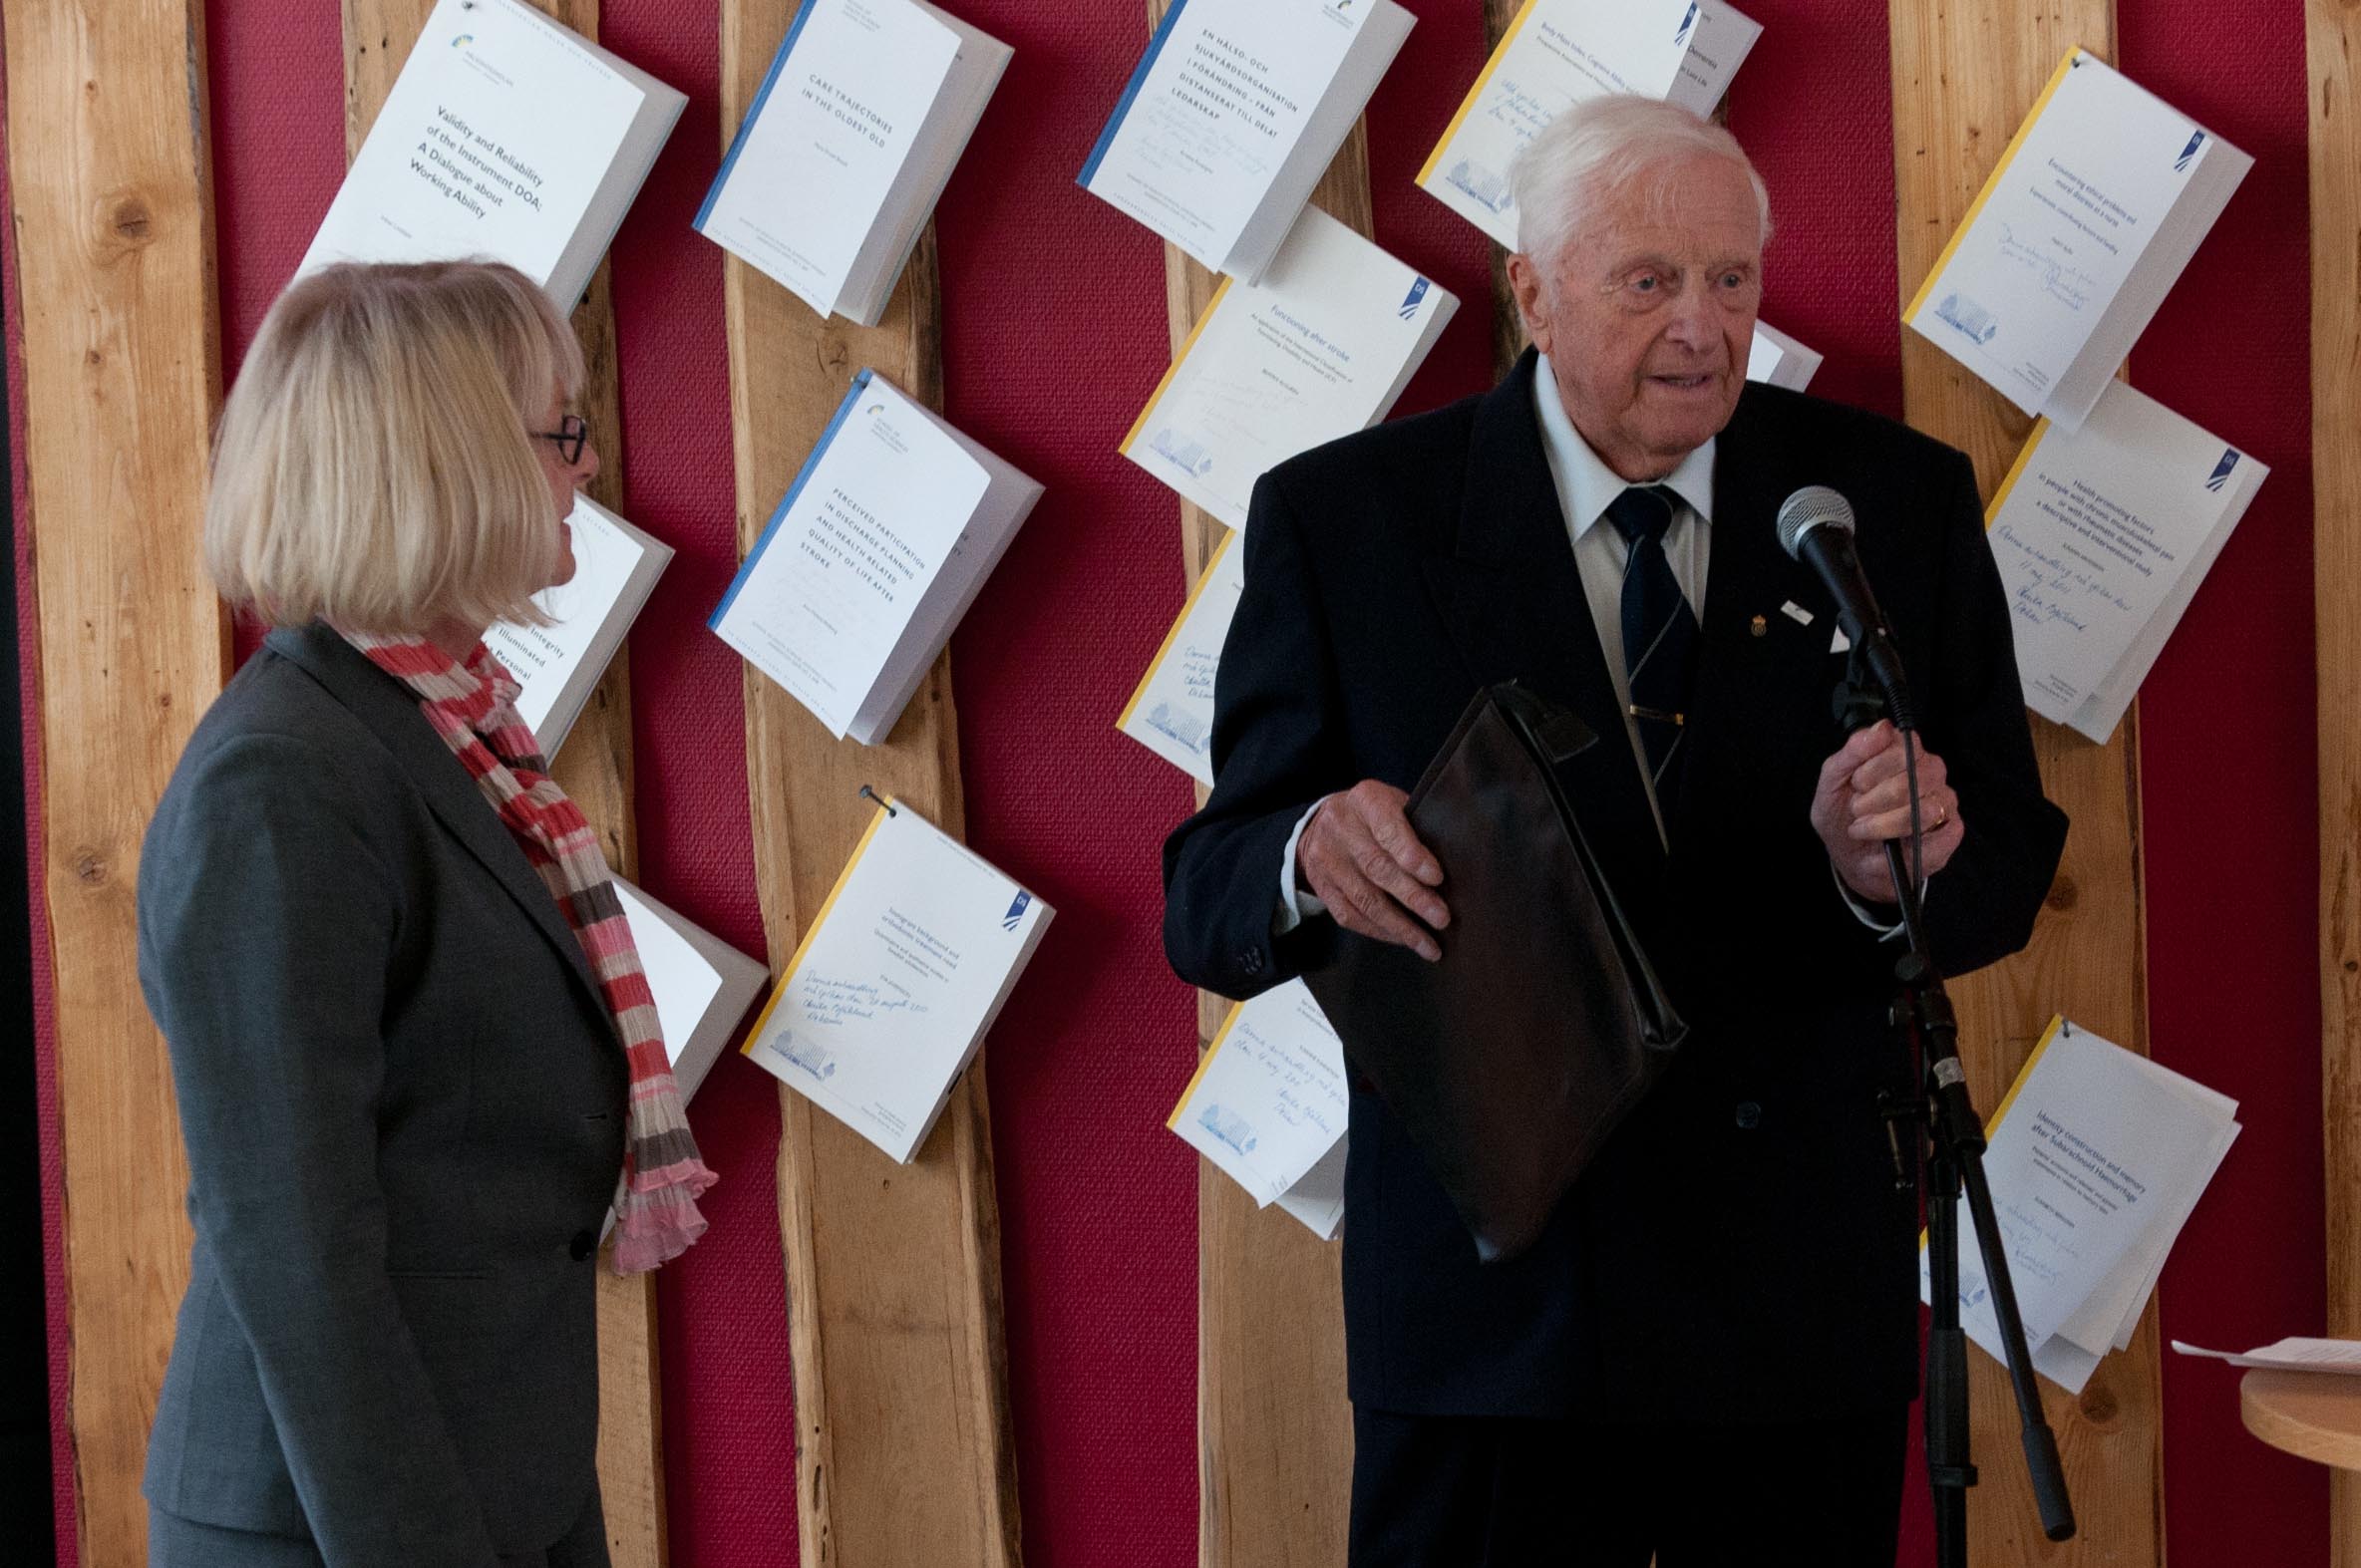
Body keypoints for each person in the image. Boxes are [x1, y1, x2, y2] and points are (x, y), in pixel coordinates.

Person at [1163, 97, 2068, 1566]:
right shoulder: (1349, 522)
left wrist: (1877, 876)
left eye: (1732, 282)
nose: (1704, 329)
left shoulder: (1884, 505)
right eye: (1649, 281)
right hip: (1494, 1326)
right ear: (1532, 292)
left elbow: (2010, 855)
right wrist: (1306, 851)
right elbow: (1202, 895)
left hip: (1791, 1317)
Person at [138, 260, 715, 1568]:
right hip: (335, 1522)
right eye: (561, 428)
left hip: (503, 1472)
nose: (586, 463)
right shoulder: (281, 778)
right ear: (444, 460)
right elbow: (294, 1245)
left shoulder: (445, 734)